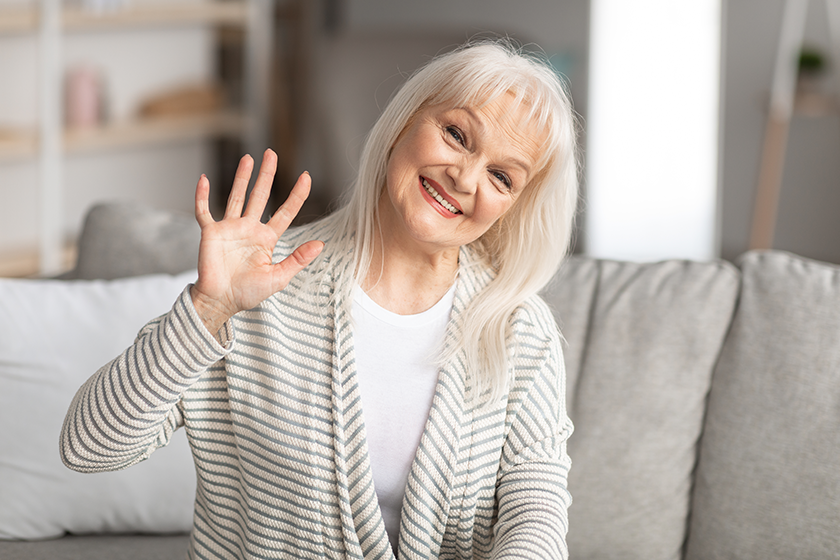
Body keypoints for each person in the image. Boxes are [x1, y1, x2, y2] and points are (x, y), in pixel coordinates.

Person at [60, 39, 578, 560]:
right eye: (456, 134)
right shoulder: (260, 284)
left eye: (501, 176)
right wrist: (206, 312)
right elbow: (88, 447)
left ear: (512, 207)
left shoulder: (518, 329)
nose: (464, 178)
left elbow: (536, 508)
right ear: (404, 122)